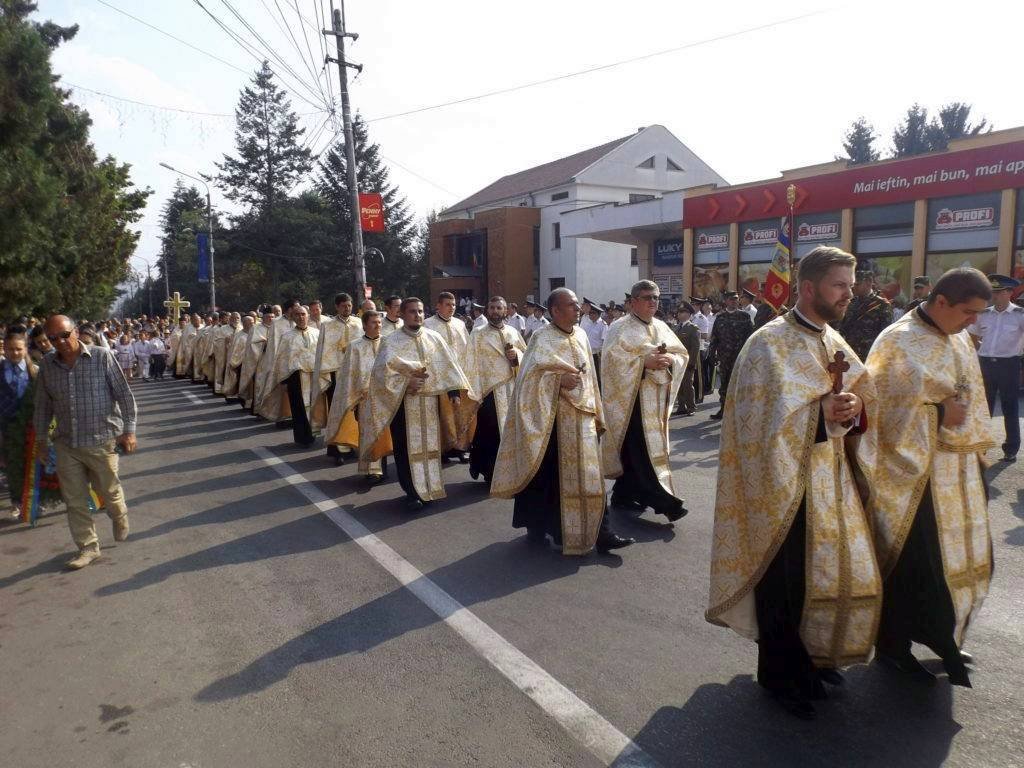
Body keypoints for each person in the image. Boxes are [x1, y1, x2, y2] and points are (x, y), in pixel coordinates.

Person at [706, 246, 881, 720]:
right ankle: (781, 675)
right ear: (808, 288)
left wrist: (854, 411)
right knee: (784, 581)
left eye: (849, 284)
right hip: (781, 485)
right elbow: (754, 423)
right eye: (839, 286)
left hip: (828, 483)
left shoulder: (834, 341)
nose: (849, 293)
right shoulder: (768, 344)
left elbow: (862, 396)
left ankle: (813, 657)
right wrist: (820, 417)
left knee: (818, 575)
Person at [865, 267, 996, 687]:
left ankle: (942, 636)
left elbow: (972, 397)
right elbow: (879, 411)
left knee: (961, 563)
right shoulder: (897, 341)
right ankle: (893, 645)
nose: (974, 320)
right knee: (918, 567)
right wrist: (938, 413)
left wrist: (978, 456)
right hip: (914, 479)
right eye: (968, 311)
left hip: (958, 474)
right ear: (941, 302)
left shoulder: (957, 335)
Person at [490, 288, 635, 555]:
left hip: (583, 419)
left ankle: (602, 533)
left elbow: (590, 377)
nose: (578, 308)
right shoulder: (541, 338)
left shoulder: (580, 335)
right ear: (555, 310)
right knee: (549, 478)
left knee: (592, 476)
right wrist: (557, 381)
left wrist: (598, 413)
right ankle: (546, 527)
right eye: (571, 305)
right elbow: (527, 382)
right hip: (551, 423)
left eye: (578, 304)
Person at [33, 316, 138, 570]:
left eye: (65, 335)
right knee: (75, 499)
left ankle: (118, 513)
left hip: (102, 440)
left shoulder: (102, 357)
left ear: (76, 332)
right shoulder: (47, 365)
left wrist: (130, 430)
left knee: (109, 492)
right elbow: (42, 405)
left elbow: (124, 395)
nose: (60, 342)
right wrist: (40, 440)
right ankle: (88, 547)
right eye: (53, 338)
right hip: (67, 443)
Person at [358, 298, 469, 511]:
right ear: (401, 314)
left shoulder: (434, 338)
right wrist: (405, 383)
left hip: (429, 402)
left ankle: (431, 486)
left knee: (430, 446)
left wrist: (453, 391)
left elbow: (448, 367)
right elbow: (380, 377)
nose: (417, 315)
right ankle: (411, 491)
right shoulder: (391, 342)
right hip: (403, 405)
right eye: (412, 312)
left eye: (420, 311)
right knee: (405, 449)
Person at [601, 280, 688, 522]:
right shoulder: (620, 327)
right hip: (631, 403)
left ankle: (623, 494)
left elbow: (682, 353)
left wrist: (670, 359)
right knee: (641, 452)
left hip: (656, 402)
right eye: (648, 297)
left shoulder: (662, 326)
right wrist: (643, 363)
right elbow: (610, 364)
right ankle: (666, 502)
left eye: (656, 298)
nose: (653, 302)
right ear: (633, 302)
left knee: (635, 453)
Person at [460, 296, 526, 485]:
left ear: (505, 311)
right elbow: (470, 361)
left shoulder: (513, 332)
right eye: (492, 307)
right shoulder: (478, 333)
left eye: (499, 308)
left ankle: (509, 470)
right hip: (488, 391)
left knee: (510, 431)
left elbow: (526, 354)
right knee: (489, 432)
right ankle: (489, 471)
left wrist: (516, 356)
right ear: (487, 310)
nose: (495, 311)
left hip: (511, 389)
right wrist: (474, 391)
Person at [324, 310, 389, 483]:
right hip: (364, 398)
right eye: (374, 322)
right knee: (367, 433)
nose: (378, 325)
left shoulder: (387, 343)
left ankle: (382, 468)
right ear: (365, 325)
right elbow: (348, 375)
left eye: (380, 322)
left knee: (383, 432)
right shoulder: (355, 346)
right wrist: (352, 400)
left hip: (385, 397)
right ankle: (371, 470)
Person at [968, 274, 1024, 463]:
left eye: (999, 292)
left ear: (1009, 293)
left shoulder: (1019, 315)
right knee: (983, 408)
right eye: (994, 292)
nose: (995, 296)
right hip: (985, 364)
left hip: (1009, 365)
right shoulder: (984, 314)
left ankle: (1010, 449)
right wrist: (981, 351)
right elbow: (972, 338)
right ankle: (980, 446)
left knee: (1010, 408)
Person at [310, 293, 363, 461]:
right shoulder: (328, 326)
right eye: (343, 306)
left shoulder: (358, 323)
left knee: (354, 411)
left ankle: (353, 445)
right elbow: (322, 352)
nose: (347, 308)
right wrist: (327, 374)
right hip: (336, 375)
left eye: (349, 305)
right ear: (337, 307)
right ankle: (337, 450)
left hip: (355, 374)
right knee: (337, 412)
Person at [424, 291, 471, 463]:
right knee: (442, 414)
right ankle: (443, 448)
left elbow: (467, 348)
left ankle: (460, 447)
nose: (451, 308)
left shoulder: (459, 324)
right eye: (447, 304)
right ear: (438, 305)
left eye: (453, 305)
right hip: (439, 377)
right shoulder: (428, 325)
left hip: (459, 375)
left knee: (460, 411)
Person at [273, 306, 321, 447]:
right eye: (297, 315)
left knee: (314, 406)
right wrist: (285, 380)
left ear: (308, 316)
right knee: (298, 408)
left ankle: (314, 432)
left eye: (303, 314)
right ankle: (302, 437)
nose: (301, 317)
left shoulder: (317, 333)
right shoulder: (287, 337)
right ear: (293, 317)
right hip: (296, 377)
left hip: (313, 376)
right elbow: (282, 358)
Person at [707, 291, 753, 420]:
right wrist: (712, 354)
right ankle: (723, 409)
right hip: (724, 357)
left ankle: (738, 411)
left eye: (736, 299)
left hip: (740, 357)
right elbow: (714, 338)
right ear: (726, 301)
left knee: (739, 384)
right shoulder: (720, 318)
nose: (734, 301)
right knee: (724, 384)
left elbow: (750, 337)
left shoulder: (744, 316)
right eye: (731, 299)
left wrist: (749, 355)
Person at [835, 264, 894, 361]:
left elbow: (886, 334)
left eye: (857, 284)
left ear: (869, 283)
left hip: (870, 355)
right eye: (853, 285)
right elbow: (842, 327)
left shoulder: (881, 305)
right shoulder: (851, 303)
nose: (854, 288)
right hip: (850, 354)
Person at [255, 300, 298, 424]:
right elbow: (274, 345)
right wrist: (276, 364)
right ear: (290, 309)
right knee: (280, 391)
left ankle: (294, 416)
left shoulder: (299, 320)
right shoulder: (277, 323)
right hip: (282, 363)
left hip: (297, 362)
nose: (298, 310)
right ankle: (281, 417)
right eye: (296, 307)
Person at [239, 308, 273, 412]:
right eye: (268, 317)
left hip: (274, 361)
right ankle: (259, 409)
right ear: (263, 318)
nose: (271, 319)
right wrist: (264, 343)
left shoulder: (276, 328)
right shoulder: (256, 328)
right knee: (260, 385)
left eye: (272, 317)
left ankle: (271, 410)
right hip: (261, 361)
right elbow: (252, 344)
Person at [673, 303, 703, 415]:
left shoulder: (692, 328)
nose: (680, 315)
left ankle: (691, 407)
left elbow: (695, 347)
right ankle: (681, 406)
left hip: (687, 361)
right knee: (678, 384)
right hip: (677, 360)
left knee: (687, 384)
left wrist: (692, 363)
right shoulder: (676, 327)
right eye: (679, 312)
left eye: (683, 312)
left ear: (689, 314)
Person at [222, 314, 252, 400]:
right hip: (240, 363)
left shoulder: (255, 334)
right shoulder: (239, 335)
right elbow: (234, 350)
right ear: (244, 323)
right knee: (240, 380)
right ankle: (241, 397)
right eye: (250, 323)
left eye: (253, 322)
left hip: (253, 362)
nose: (252, 325)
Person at [579, 299, 607, 382]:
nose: (591, 315)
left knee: (598, 375)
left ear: (598, 314)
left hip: (597, 354)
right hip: (587, 353)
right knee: (588, 374)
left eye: (593, 313)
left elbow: (604, 340)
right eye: (590, 313)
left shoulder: (603, 325)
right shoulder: (588, 324)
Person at [212, 311, 238, 395]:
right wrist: (225, 342)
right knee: (226, 373)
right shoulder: (222, 329)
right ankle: (226, 390)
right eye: (233, 318)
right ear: (230, 319)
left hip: (239, 356)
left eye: (237, 318)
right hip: (225, 355)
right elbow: (216, 341)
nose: (235, 320)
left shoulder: (241, 328)